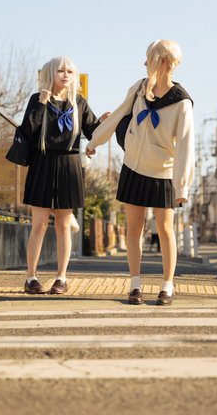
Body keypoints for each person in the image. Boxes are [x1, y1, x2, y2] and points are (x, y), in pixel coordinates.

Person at [86, 40, 194, 306]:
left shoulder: (182, 102)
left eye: (149, 58)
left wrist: (182, 187)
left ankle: (167, 286)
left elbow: (186, 146)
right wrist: (95, 140)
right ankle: (135, 285)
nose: (145, 63)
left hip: (163, 172)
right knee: (134, 229)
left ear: (163, 62)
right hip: (133, 167)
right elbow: (117, 116)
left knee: (165, 230)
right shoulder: (138, 89)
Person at [21, 56, 109, 295]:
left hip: (69, 164)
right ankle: (31, 277)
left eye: (70, 71)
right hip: (42, 163)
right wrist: (41, 103)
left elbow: (92, 131)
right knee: (39, 224)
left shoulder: (78, 102)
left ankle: (61, 277)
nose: (66, 75)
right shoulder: (37, 99)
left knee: (63, 224)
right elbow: (28, 130)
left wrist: (104, 122)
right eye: (61, 70)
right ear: (50, 73)